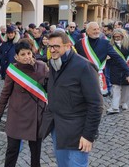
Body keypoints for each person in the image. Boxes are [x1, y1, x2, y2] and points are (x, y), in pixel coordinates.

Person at [41, 31, 103, 167]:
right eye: (50, 46)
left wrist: (88, 135)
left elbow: (96, 105)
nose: (52, 50)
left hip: (78, 131)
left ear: (68, 46)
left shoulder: (84, 66)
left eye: (56, 46)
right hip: (58, 128)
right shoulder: (54, 63)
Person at [0, 40, 49, 167]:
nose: (27, 57)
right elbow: (5, 93)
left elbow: (48, 87)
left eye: (29, 53)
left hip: (36, 115)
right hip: (17, 115)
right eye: (23, 54)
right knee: (12, 150)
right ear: (16, 56)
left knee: (35, 151)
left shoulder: (41, 66)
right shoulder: (13, 70)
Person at [75, 22, 129, 95]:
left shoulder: (105, 43)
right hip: (83, 76)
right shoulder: (80, 43)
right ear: (87, 31)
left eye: (98, 29)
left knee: (96, 101)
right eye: (94, 29)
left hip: (98, 77)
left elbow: (117, 58)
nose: (97, 31)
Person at [106, 29, 129, 114]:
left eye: (119, 36)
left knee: (126, 87)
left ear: (123, 35)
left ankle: (123, 102)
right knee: (116, 87)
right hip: (115, 68)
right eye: (115, 37)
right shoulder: (110, 43)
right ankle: (115, 107)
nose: (117, 38)